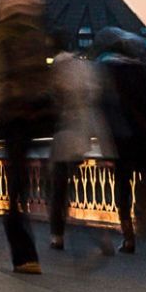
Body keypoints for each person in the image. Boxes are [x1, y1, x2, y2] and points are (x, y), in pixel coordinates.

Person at [0, 0, 55, 273]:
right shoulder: (34, 36)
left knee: (18, 184)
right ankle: (26, 251)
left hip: (16, 115)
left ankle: (24, 251)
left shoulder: (1, 36)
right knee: (21, 184)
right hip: (30, 115)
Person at [97, 29, 146, 252]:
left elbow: (104, 106)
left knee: (122, 185)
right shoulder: (143, 71)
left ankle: (128, 235)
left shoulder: (107, 70)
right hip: (144, 134)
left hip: (119, 135)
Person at [48, 47, 107, 251]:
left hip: (62, 136)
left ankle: (57, 234)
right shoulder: (84, 73)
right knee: (82, 189)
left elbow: (51, 107)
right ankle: (99, 234)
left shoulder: (57, 77)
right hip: (81, 136)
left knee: (59, 189)